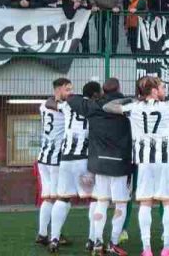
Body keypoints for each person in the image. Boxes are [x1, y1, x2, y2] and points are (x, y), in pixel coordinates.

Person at [102, 76, 169, 256]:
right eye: (162, 87)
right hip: (164, 162)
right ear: (155, 91)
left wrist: (129, 99)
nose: (165, 90)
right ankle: (166, 248)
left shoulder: (134, 107)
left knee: (145, 203)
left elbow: (107, 107)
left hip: (144, 163)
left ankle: (147, 249)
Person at [46, 81, 102, 253]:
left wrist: (60, 96)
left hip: (65, 158)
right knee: (94, 199)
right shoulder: (96, 107)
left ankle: (54, 238)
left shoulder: (68, 105)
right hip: (84, 159)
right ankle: (92, 240)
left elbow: (50, 103)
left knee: (63, 198)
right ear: (94, 95)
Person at [88, 78, 134, 255]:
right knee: (120, 204)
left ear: (103, 91)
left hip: (100, 161)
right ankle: (113, 243)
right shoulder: (127, 107)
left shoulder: (93, 107)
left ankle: (97, 241)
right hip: (119, 162)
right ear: (119, 88)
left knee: (101, 201)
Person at [35, 78, 71, 248]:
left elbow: (51, 103)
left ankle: (42, 234)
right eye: (67, 89)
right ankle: (55, 235)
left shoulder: (43, 105)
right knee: (62, 198)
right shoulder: (64, 109)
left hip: (43, 157)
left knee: (48, 197)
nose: (69, 93)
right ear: (58, 90)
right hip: (56, 159)